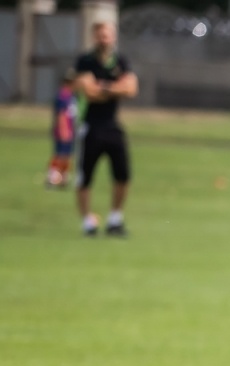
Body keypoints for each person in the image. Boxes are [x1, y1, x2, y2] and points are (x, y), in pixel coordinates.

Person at [74, 21, 137, 237]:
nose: (105, 39)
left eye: (108, 35)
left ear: (114, 37)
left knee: (123, 175)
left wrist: (105, 87)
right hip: (91, 126)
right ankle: (87, 222)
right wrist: (116, 88)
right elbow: (89, 91)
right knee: (85, 176)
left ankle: (114, 219)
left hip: (112, 125)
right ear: (95, 37)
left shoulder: (120, 61)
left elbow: (131, 89)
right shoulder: (85, 61)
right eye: (101, 36)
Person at [47, 69, 77, 189]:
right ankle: (53, 177)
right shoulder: (63, 96)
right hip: (63, 130)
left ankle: (63, 178)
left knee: (67, 155)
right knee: (60, 154)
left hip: (70, 129)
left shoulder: (71, 96)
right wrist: (64, 129)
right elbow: (61, 114)